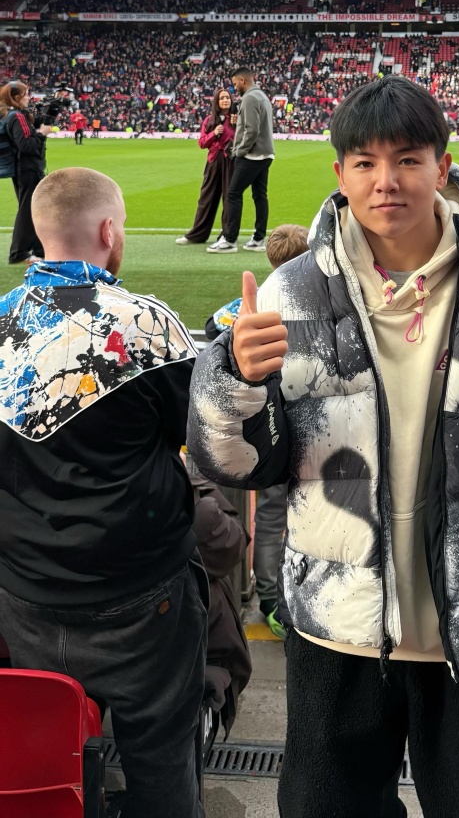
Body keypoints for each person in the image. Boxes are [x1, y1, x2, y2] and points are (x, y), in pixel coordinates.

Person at [189, 75, 459, 818]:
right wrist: (232, 380)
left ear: (442, 166)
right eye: (365, 162)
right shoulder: (290, 296)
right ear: (340, 174)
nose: (385, 181)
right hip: (338, 633)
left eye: (408, 159)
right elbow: (236, 465)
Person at [0, 167, 207, 818]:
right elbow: (204, 439)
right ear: (110, 232)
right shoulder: (145, 325)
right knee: (162, 765)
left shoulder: (1, 322)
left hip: (25, 594)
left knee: (47, 758)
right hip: (142, 597)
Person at [204, 223, 309, 640]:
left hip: (265, 428)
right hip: (311, 424)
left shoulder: (254, 301)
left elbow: (212, 327)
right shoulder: (315, 297)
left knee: (270, 514)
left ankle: (270, 599)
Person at [184, 453, 252, 739]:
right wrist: (197, 485)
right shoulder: (189, 507)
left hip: (71, 650)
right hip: (185, 662)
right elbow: (229, 543)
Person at [207, 66, 274, 254]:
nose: (234, 87)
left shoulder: (250, 98)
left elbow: (252, 130)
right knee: (260, 196)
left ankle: (230, 240)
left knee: (233, 193)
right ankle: (259, 238)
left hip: (252, 155)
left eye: (235, 83)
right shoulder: (262, 96)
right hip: (266, 153)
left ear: (242, 80)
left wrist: (239, 151)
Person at [0, 81, 52, 265]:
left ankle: (39, 249)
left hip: (23, 168)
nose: (28, 97)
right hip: (28, 168)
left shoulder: (11, 115)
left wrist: (50, 113)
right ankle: (19, 252)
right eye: (26, 94)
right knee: (28, 209)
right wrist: (42, 134)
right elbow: (27, 145)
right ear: (16, 97)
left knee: (36, 207)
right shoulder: (17, 116)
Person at [176, 88, 235, 246]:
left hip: (230, 161)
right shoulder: (209, 120)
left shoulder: (236, 119)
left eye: (227, 98)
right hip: (214, 161)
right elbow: (202, 143)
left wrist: (237, 125)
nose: (225, 100)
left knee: (229, 199)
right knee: (206, 198)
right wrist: (214, 133)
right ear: (217, 101)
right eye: (222, 98)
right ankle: (197, 234)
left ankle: (227, 235)